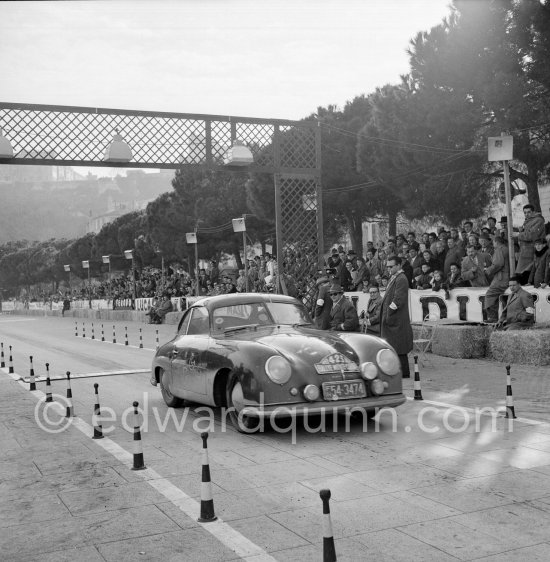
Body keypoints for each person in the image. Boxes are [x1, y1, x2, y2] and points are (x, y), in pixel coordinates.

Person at [380, 256, 413, 378]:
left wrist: (388, 313)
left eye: (391, 266)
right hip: (393, 319)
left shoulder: (401, 279)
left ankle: (404, 373)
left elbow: (398, 299)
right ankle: (397, 372)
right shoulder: (395, 277)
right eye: (388, 266)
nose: (389, 268)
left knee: (400, 348)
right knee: (395, 347)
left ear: (399, 265)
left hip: (396, 319)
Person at [514, 204, 546, 284]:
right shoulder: (528, 221)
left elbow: (532, 235)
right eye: (525, 212)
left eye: (528, 212)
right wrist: (521, 231)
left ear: (533, 212)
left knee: (528, 274)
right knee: (522, 276)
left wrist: (518, 234)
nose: (526, 214)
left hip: (533, 252)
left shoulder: (538, 220)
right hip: (525, 252)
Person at [484, 235, 510, 323]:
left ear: (497, 242)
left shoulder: (499, 250)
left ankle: (492, 317)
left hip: (501, 278)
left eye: (493, 242)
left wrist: (488, 270)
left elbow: (498, 264)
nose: (493, 244)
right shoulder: (506, 248)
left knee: (489, 295)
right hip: (505, 277)